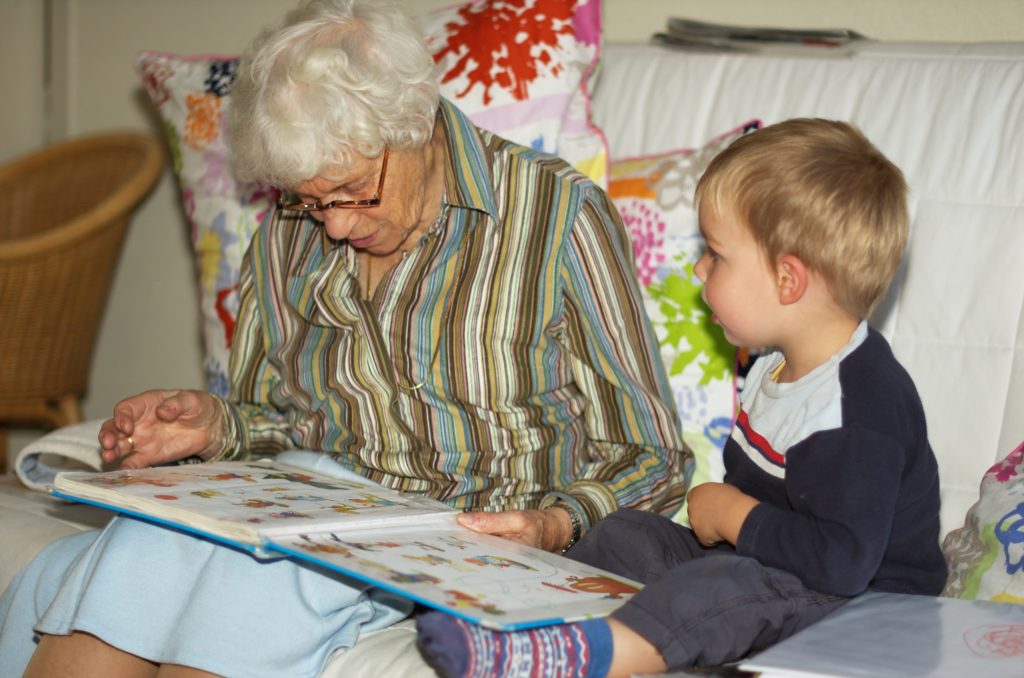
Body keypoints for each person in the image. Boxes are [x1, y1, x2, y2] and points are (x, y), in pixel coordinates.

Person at [0, 1, 690, 675]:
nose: (330, 227)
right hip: (315, 502)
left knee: (246, 593)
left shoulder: (556, 216)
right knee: (145, 547)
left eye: (354, 191)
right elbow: (275, 417)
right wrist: (214, 425)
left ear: (414, 124)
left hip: (462, 535)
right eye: (309, 199)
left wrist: (554, 523)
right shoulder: (285, 231)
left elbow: (653, 455)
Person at [416, 118, 949, 678]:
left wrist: (734, 513)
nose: (697, 269)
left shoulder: (856, 407)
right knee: (627, 532)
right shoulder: (773, 360)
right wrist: (730, 522)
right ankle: (530, 612)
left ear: (787, 281)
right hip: (770, 568)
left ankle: (571, 658)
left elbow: (840, 562)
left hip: (864, 609)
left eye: (716, 255)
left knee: (723, 586)